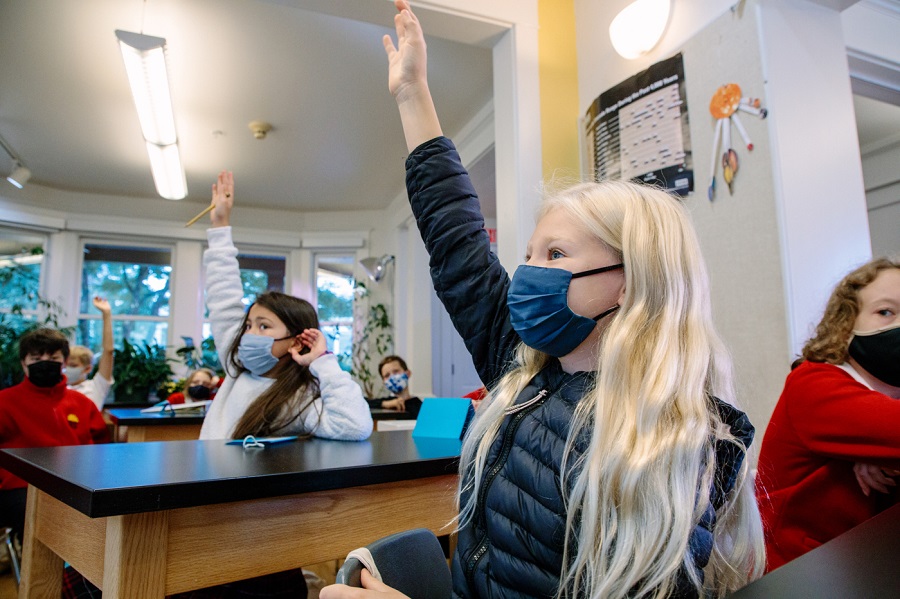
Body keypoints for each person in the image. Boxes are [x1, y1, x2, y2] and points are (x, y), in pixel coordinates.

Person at [322, 3, 765, 598]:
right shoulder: (523, 368)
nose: (528, 272)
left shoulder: (664, 444)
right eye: (529, 253)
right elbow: (458, 242)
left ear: (630, 282)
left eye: (555, 255)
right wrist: (412, 96)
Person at [199, 170, 372, 442]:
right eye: (248, 325)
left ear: (295, 341)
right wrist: (220, 225)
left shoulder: (299, 397)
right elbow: (224, 296)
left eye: (264, 326)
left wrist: (323, 361)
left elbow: (355, 426)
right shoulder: (236, 370)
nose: (249, 334)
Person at [756, 257, 900, 572]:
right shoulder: (813, 383)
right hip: (801, 574)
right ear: (846, 323)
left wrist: (884, 454)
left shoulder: (886, 398)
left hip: (863, 568)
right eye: (885, 312)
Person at [0, 328, 109, 540]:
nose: (44, 362)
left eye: (53, 357)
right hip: (21, 489)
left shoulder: (82, 404)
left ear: (64, 361)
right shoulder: (4, 402)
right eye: (36, 358)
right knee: (42, 515)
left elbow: (101, 449)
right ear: (24, 363)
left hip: (77, 486)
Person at [66, 296, 115, 411]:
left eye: (73, 365)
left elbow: (108, 351)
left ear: (87, 369)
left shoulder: (96, 387)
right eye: (65, 365)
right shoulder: (56, 389)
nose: (67, 369)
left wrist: (106, 314)